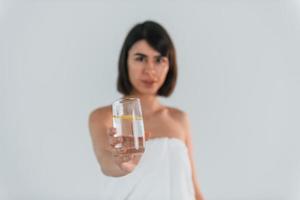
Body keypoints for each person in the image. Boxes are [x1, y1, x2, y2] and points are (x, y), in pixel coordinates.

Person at [88, 20, 205, 200]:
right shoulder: (104, 116)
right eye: (140, 58)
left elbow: (194, 190)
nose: (150, 70)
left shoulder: (179, 119)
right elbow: (106, 161)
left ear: (169, 65)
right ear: (125, 61)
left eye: (159, 60)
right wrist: (121, 163)